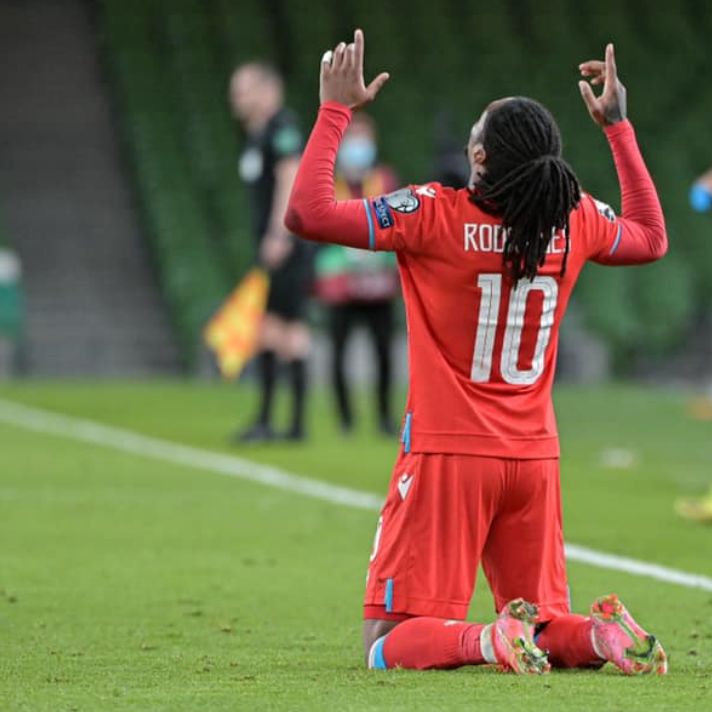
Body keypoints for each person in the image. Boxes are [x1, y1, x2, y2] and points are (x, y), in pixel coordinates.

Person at [285, 31, 669, 675]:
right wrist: (619, 130)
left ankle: (483, 641)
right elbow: (653, 237)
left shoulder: (432, 215)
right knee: (543, 624)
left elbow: (306, 213)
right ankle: (601, 638)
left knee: (384, 641)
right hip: (534, 459)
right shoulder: (573, 220)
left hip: (447, 455)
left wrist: (334, 111)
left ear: (481, 154)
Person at [230, 62, 313, 442]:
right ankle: (268, 420)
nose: (237, 97)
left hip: (287, 245)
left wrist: (279, 235)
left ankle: (293, 425)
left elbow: (290, 176)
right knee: (266, 330)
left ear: (268, 90)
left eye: (244, 89)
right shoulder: (256, 134)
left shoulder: (281, 128)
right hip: (273, 243)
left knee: (288, 329)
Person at [315, 112, 399, 435]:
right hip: (341, 284)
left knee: (383, 354)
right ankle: (345, 419)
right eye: (354, 138)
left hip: (378, 283)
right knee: (338, 351)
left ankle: (383, 417)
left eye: (364, 137)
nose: (359, 145)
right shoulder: (330, 182)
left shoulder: (385, 180)